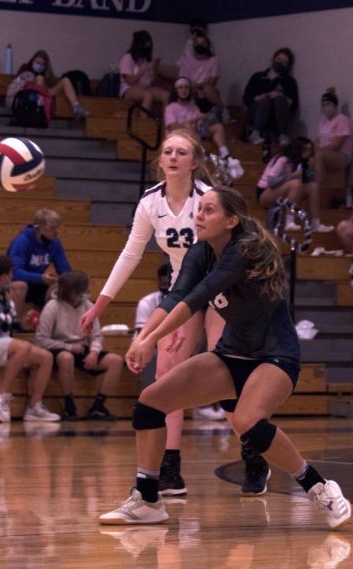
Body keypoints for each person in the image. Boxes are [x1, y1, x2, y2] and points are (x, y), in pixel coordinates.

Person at [98, 186, 351, 529]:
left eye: (208, 210)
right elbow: (177, 296)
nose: (198, 215)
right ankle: (148, 500)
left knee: (247, 421)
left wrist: (152, 339)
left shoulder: (245, 249)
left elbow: (199, 296)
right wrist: (143, 337)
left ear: (231, 220)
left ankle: (318, 487)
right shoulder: (199, 252)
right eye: (198, 209)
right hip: (231, 355)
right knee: (150, 403)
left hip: (274, 356)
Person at [81, 129, 269, 498]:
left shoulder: (208, 201)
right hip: (184, 289)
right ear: (160, 160)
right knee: (165, 375)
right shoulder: (151, 202)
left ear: (194, 162)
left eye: (181, 152)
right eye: (167, 150)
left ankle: (253, 455)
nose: (172, 156)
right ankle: (170, 469)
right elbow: (130, 254)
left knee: (227, 372)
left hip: (225, 288)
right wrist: (101, 302)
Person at [0, 255, 61, 423]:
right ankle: (1, 393)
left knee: (46, 357)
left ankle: (34, 407)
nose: (12, 277)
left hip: (2, 343)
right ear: (3, 276)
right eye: (10, 274)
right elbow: (0, 324)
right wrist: (13, 311)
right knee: (23, 347)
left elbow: (11, 324)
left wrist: (25, 322)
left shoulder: (4, 295)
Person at [134, 261, 225, 421]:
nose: (165, 284)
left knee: (219, 359)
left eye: (167, 281)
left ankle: (212, 404)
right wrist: (148, 340)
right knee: (166, 364)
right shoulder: (149, 301)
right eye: (162, 282)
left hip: (211, 307)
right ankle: (163, 414)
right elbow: (142, 333)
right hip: (159, 341)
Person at [35, 270, 122, 421]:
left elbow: (96, 335)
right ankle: (70, 406)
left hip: (82, 348)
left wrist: (94, 352)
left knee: (115, 361)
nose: (85, 292)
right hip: (59, 348)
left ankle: (98, 407)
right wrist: (68, 347)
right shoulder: (52, 306)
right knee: (66, 357)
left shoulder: (88, 305)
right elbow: (41, 338)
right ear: (71, 291)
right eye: (82, 289)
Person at [164, 77, 242, 178]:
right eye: (181, 88)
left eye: (186, 88)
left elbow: (199, 123)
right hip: (179, 135)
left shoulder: (194, 107)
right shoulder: (171, 107)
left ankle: (226, 155)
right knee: (188, 126)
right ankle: (203, 154)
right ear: (176, 91)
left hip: (196, 132)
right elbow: (173, 127)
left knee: (217, 127)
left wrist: (202, 120)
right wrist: (193, 121)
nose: (184, 90)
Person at [7, 209, 72, 327]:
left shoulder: (55, 243)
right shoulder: (21, 242)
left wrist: (67, 279)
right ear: (39, 228)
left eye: (57, 227)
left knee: (59, 286)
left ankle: (48, 325)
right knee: (20, 285)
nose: (56, 232)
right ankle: (14, 324)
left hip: (38, 283)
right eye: (52, 228)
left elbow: (65, 269)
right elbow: (15, 272)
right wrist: (40, 278)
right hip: (18, 283)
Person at [256, 137, 333, 233]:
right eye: (305, 149)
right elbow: (271, 181)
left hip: (285, 192)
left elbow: (311, 181)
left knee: (313, 186)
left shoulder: (301, 162)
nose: (308, 153)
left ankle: (316, 224)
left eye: (310, 150)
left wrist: (311, 168)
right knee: (296, 183)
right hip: (265, 192)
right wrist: (292, 176)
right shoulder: (283, 159)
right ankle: (289, 221)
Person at [4, 49, 88, 120]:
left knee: (65, 80)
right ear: (32, 61)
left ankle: (76, 107)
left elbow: (50, 87)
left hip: (44, 93)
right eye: (37, 63)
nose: (39, 66)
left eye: (42, 64)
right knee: (39, 79)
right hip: (29, 96)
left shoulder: (47, 75)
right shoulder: (25, 70)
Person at [241, 47, 299, 146]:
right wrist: (260, 97)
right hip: (256, 111)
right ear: (273, 59)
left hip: (276, 115)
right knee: (265, 101)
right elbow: (246, 98)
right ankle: (255, 132)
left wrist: (280, 95)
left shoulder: (289, 81)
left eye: (284, 62)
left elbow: (293, 105)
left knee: (280, 99)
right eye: (278, 59)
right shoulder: (257, 77)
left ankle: (282, 134)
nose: (280, 63)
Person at [176, 31, 231, 123]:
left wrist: (198, 86)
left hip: (207, 91)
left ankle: (223, 111)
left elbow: (212, 82)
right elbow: (183, 81)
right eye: (197, 43)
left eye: (202, 43)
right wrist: (197, 89)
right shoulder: (187, 61)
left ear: (207, 45)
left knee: (207, 89)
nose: (199, 46)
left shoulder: (214, 60)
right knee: (186, 90)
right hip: (192, 90)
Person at [315, 87, 353, 192]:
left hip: (341, 155)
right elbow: (318, 140)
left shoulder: (343, 120)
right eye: (323, 105)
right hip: (325, 152)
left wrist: (319, 151)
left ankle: (320, 190)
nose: (325, 108)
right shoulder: (322, 122)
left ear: (335, 105)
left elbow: (337, 145)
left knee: (319, 156)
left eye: (328, 104)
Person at [119, 30, 168, 111]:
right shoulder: (127, 58)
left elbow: (150, 82)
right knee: (148, 95)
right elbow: (130, 81)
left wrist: (154, 69)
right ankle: (142, 122)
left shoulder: (145, 59)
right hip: (128, 89)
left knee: (166, 95)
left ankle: (167, 122)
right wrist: (144, 70)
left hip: (145, 87)